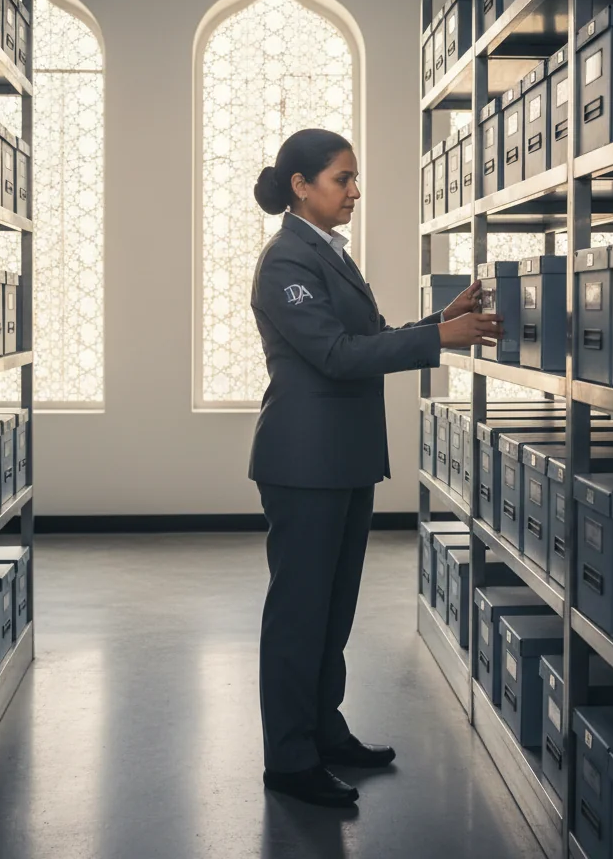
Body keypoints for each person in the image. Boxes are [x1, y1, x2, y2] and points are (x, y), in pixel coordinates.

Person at [249, 128, 503, 808]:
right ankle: (289, 760)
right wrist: (438, 339)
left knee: (333, 612)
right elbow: (336, 355)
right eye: (343, 178)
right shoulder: (285, 261)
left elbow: (370, 338)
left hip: (344, 457)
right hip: (304, 462)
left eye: (355, 178)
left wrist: (439, 320)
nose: (355, 191)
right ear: (301, 186)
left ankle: (323, 732)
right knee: (299, 616)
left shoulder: (328, 252)